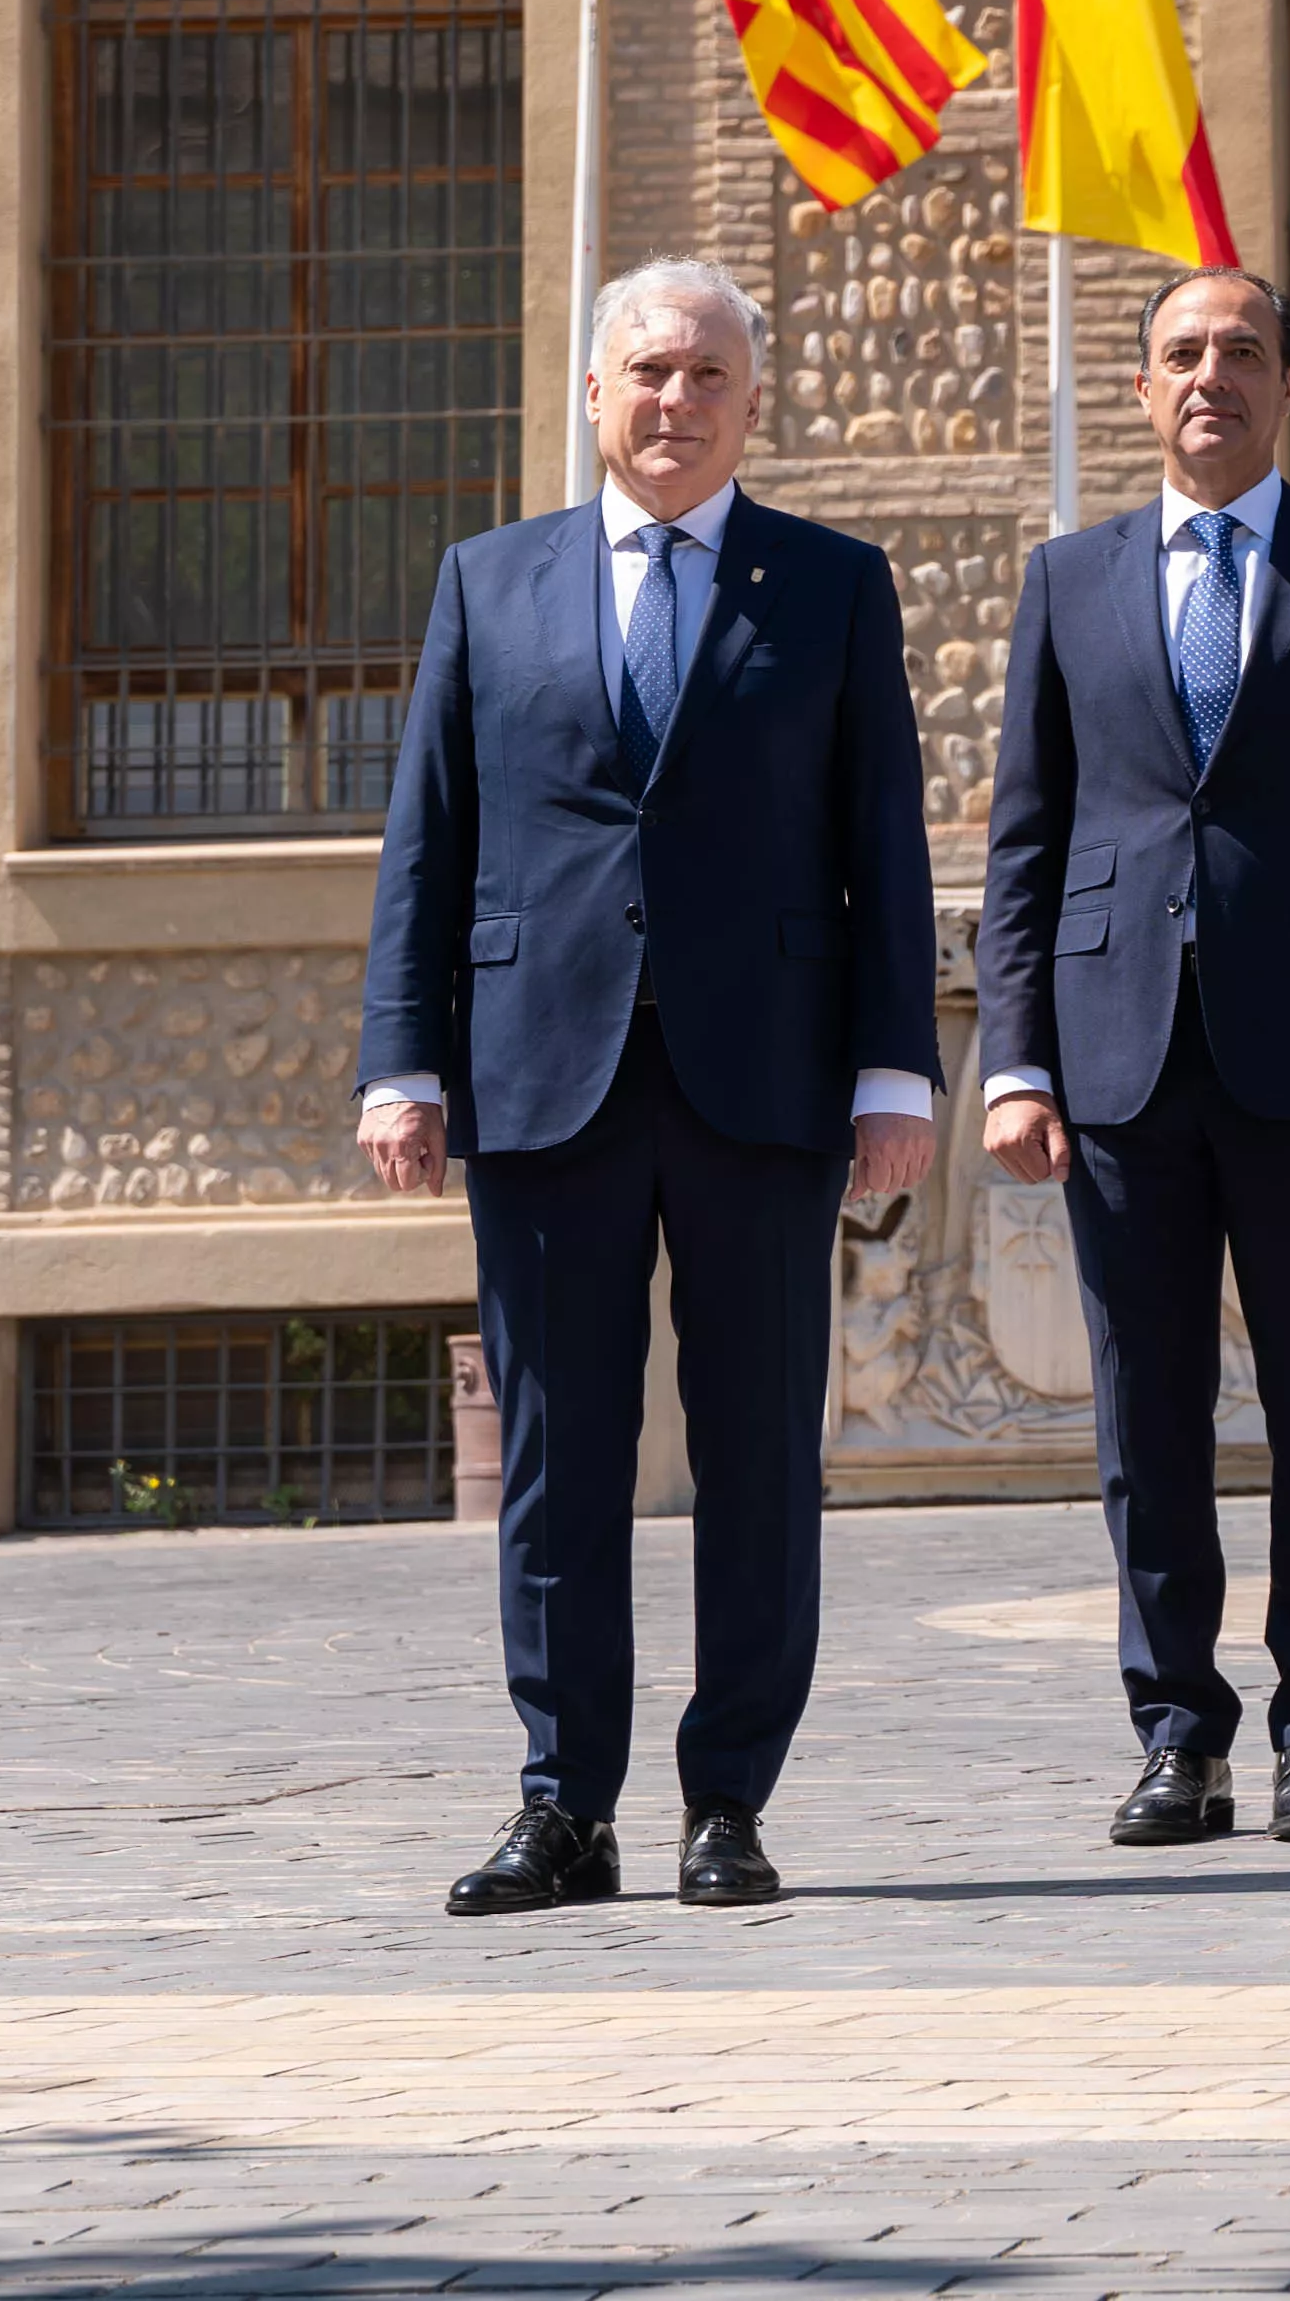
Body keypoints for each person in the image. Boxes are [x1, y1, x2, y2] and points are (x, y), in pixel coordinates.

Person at [360, 257, 942, 1918]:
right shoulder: (491, 583)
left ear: (749, 403)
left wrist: (895, 1068)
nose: (672, 400)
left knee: (762, 1455)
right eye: (646, 372)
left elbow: (878, 846)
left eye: (704, 375)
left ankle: (728, 1800)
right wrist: (402, 1058)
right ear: (595, 397)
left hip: (763, 1080)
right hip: (543, 1076)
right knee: (559, 1452)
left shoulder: (831, 586)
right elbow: (432, 836)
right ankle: (563, 1802)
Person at [974, 267, 1290, 1853]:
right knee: (1148, 1416)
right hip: (1120, 1061)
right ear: (1142, 390)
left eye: (1242, 352)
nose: (1212, 376)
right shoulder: (1069, 579)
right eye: (1183, 353)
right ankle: (1176, 1729)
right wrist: (1016, 1061)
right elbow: (1025, 847)